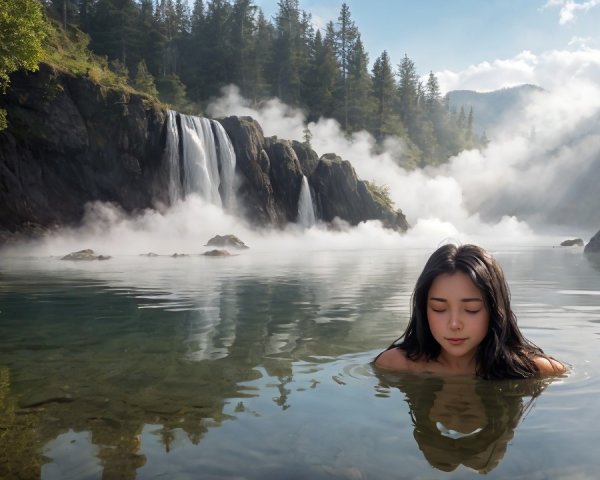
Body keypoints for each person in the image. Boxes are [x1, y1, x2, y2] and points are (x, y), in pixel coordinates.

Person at [374, 244, 566, 378]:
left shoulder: (536, 371)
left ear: (494, 311)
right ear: (423, 310)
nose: (454, 324)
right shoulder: (395, 365)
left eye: (471, 309)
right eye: (439, 308)